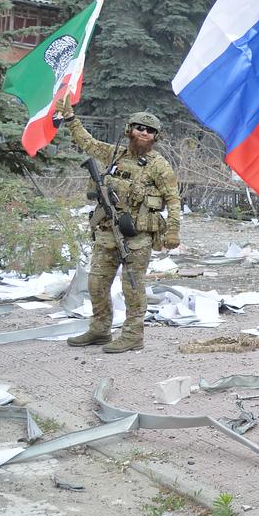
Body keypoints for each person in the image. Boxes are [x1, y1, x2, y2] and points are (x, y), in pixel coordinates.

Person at [54, 101, 180, 353]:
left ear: (156, 137)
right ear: (129, 130)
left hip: (138, 236)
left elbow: (173, 199)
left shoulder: (159, 165)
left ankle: (133, 335)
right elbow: (87, 143)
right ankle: (100, 329)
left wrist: (173, 230)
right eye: (140, 128)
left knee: (132, 286)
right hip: (107, 233)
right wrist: (70, 118)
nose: (144, 133)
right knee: (96, 284)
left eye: (150, 130)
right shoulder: (115, 155)